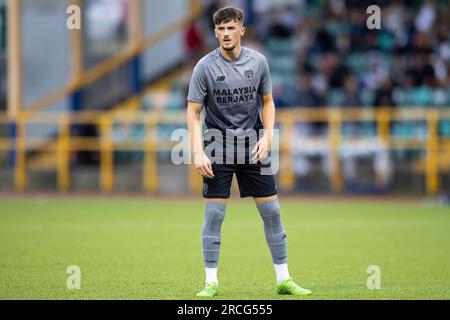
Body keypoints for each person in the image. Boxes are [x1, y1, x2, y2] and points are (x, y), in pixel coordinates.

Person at [186, 6, 311, 297]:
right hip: (217, 144)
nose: (226, 34)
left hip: (254, 143)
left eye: (231, 28)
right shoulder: (204, 67)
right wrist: (197, 151)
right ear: (215, 32)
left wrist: (268, 136)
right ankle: (211, 282)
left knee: (272, 211)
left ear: (241, 30)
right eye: (221, 29)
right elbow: (193, 112)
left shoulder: (259, 63)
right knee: (215, 215)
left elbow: (268, 102)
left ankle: (284, 279)